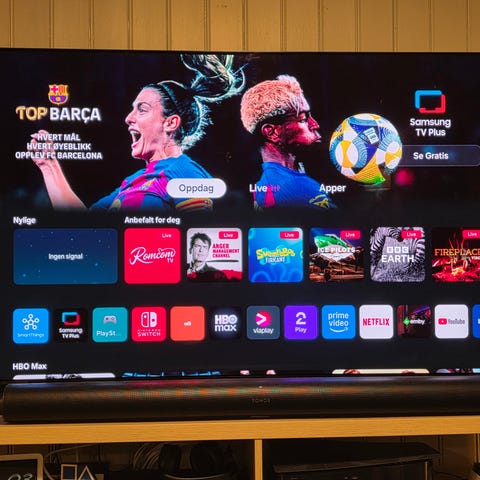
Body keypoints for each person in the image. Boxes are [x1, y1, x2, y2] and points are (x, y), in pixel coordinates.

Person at [29, 54, 244, 211]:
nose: (128, 118)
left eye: (142, 109)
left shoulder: (185, 172)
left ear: (170, 123)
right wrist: (49, 165)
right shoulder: (132, 181)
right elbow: (84, 224)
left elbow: (197, 237)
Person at [240, 74, 335, 210]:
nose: (315, 124)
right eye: (303, 119)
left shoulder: (271, 182)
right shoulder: (294, 188)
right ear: (271, 132)